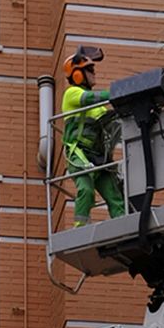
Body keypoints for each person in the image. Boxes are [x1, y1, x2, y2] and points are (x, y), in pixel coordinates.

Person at [61, 44, 125, 223]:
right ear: (78, 74)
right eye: (89, 69)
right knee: (86, 190)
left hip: (99, 156)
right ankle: (80, 228)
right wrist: (116, 93)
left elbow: (108, 119)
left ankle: (122, 226)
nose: (93, 73)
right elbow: (89, 98)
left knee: (115, 196)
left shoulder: (98, 107)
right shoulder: (72, 93)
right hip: (79, 153)